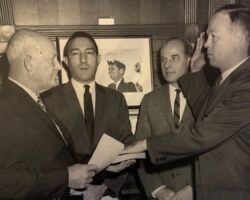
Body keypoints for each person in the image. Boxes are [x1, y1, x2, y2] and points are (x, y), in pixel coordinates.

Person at [123, 4, 250, 200]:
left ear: (238, 39)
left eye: (213, 37)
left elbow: (202, 134)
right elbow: (206, 114)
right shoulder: (226, 80)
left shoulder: (246, 85)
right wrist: (196, 72)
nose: (206, 44)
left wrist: (144, 144)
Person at [0, 30, 97, 200]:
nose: (59, 66)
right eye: (52, 59)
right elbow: (4, 181)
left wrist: (100, 164)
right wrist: (65, 178)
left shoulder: (31, 99)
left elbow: (51, 157)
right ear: (29, 63)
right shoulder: (5, 107)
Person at [42, 31, 135, 200]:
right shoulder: (48, 100)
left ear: (98, 59)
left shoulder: (116, 98)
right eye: (76, 53)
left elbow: (127, 145)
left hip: (107, 193)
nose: (83, 59)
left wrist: (103, 188)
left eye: (89, 53)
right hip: (64, 194)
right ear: (66, 61)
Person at [136, 38, 194, 200]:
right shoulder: (149, 101)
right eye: (163, 60)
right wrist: (160, 191)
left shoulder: (206, 96)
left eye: (174, 58)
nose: (167, 65)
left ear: (189, 60)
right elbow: (141, 153)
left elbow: (216, 153)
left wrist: (192, 189)